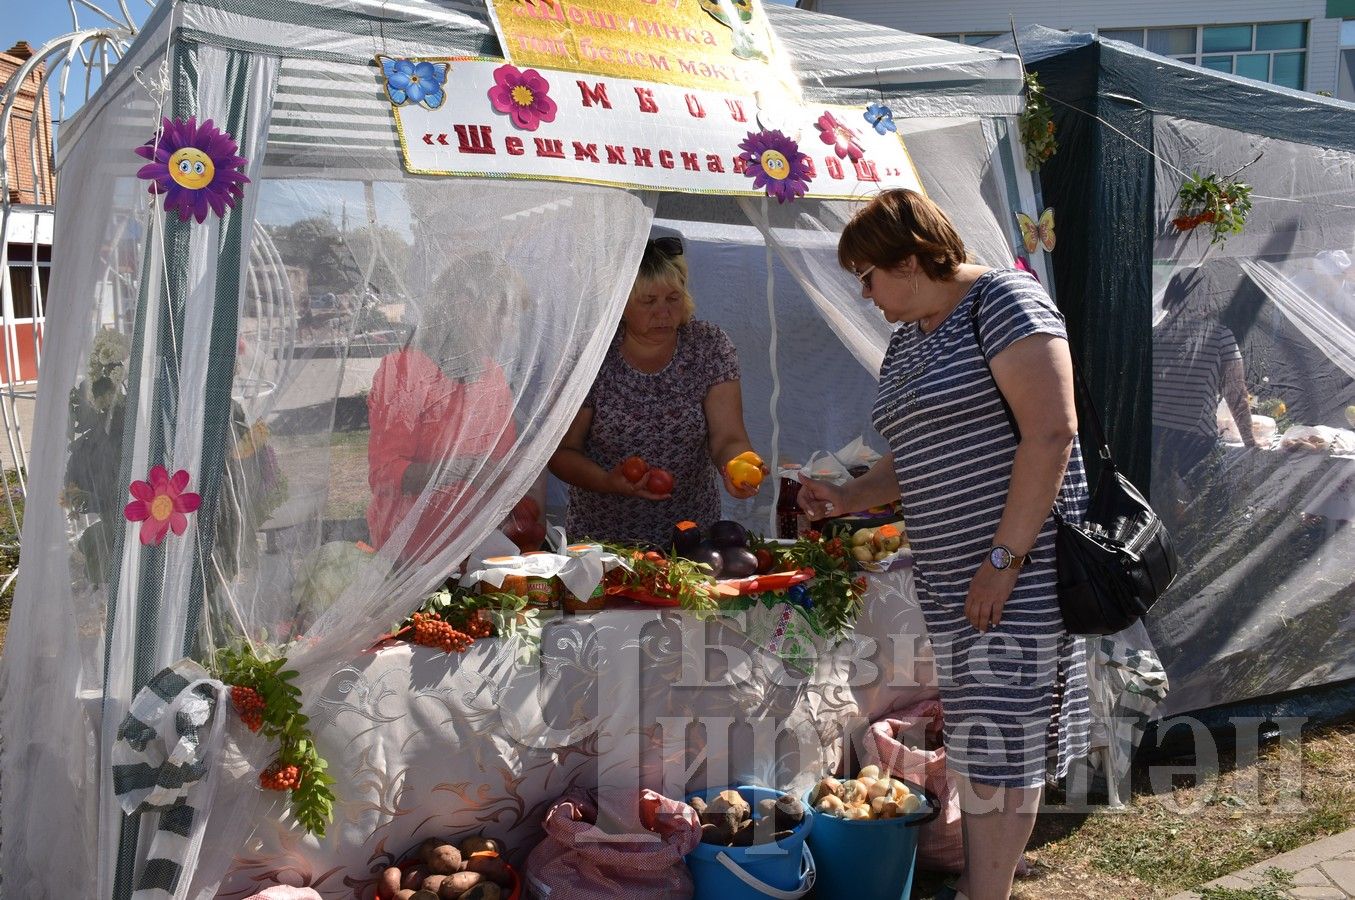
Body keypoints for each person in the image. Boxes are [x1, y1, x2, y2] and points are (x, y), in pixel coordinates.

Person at [797, 189, 1091, 900]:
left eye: (867, 277)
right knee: (980, 744)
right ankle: (978, 885)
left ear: (908, 259)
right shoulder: (911, 337)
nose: (864, 295)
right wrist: (846, 496)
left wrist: (1002, 562)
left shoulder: (1004, 302)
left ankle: (982, 894)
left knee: (1002, 749)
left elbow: (1050, 433)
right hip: (955, 574)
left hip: (1015, 567)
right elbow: (913, 452)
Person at [549, 231, 765, 546]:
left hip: (692, 537)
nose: (663, 312)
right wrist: (608, 481)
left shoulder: (709, 347)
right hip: (602, 544)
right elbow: (562, 453)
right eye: (648, 301)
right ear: (620, 303)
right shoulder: (592, 354)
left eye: (673, 298)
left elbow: (728, 437)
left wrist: (737, 465)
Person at [366, 254, 521, 561]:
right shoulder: (405, 373)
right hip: (411, 556)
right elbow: (383, 474)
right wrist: (457, 469)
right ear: (465, 306)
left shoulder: (493, 376)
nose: (508, 327)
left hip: (481, 549)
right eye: (501, 313)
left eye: (512, 315)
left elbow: (502, 464)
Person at [1151, 269, 1255, 528]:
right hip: (1195, 442)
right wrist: (1250, 440)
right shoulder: (1219, 335)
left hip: (1155, 438)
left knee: (1160, 513)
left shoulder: (1154, 335)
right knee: (1207, 516)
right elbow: (1236, 393)